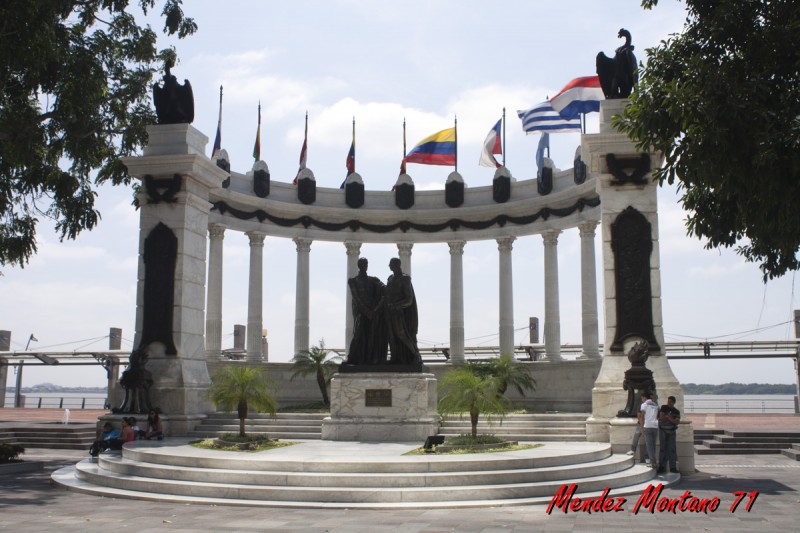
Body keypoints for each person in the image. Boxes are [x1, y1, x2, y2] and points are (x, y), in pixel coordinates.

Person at [346, 257, 388, 365]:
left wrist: (376, 310)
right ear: (359, 266)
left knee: (373, 336)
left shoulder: (374, 280)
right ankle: (351, 358)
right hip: (362, 312)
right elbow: (356, 298)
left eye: (366, 264)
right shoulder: (353, 281)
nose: (365, 266)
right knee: (357, 334)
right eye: (363, 264)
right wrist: (367, 312)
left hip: (374, 312)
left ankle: (370, 359)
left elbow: (386, 290)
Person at [384, 257, 421, 367]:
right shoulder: (390, 278)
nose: (389, 266)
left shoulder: (405, 279)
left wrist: (396, 305)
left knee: (402, 335)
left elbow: (409, 299)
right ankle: (395, 357)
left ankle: (416, 355)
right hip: (388, 311)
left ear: (397, 265)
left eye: (390, 264)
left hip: (399, 313)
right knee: (391, 335)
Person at [658, 395, 681, 473]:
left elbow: (676, 422)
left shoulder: (676, 411)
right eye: (668, 401)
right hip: (663, 430)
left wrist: (668, 417)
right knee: (662, 449)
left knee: (672, 449)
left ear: (674, 402)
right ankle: (661, 466)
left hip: (672, 431)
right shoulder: (664, 407)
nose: (669, 403)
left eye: (671, 402)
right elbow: (661, 418)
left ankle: (673, 467)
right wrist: (671, 419)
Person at [640, 391, 659, 470]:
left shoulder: (644, 405)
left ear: (644, 397)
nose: (642, 399)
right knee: (653, 445)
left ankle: (653, 462)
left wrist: (641, 427)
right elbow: (657, 416)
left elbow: (642, 416)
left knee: (649, 445)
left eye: (642, 398)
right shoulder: (655, 405)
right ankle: (653, 461)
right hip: (655, 426)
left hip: (648, 426)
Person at [626, 398, 649, 463]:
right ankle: (633, 449)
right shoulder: (641, 405)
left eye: (643, 398)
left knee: (648, 440)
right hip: (641, 424)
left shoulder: (651, 406)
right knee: (636, 435)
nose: (642, 399)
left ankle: (647, 456)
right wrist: (641, 426)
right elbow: (639, 416)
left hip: (648, 424)